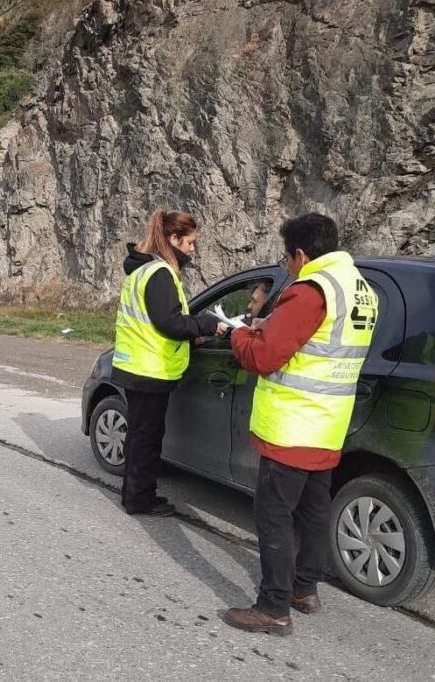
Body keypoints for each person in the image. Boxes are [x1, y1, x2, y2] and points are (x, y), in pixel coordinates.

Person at [224, 213, 378, 636]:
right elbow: (324, 341)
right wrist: (270, 325)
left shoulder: (311, 290)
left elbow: (263, 358)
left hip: (292, 425)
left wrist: (239, 334)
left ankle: (272, 607)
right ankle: (304, 590)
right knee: (313, 511)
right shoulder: (360, 289)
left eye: (287, 258)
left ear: (301, 254)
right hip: (329, 424)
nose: (287, 267)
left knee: (274, 515)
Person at [112, 209, 228, 516]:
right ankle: (140, 499)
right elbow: (169, 322)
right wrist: (204, 325)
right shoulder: (160, 274)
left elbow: (155, 323)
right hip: (150, 370)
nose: (192, 250)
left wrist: (191, 337)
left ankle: (133, 495)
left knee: (140, 436)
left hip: (137, 366)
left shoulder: (142, 271)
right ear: (173, 239)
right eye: (189, 242)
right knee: (146, 439)